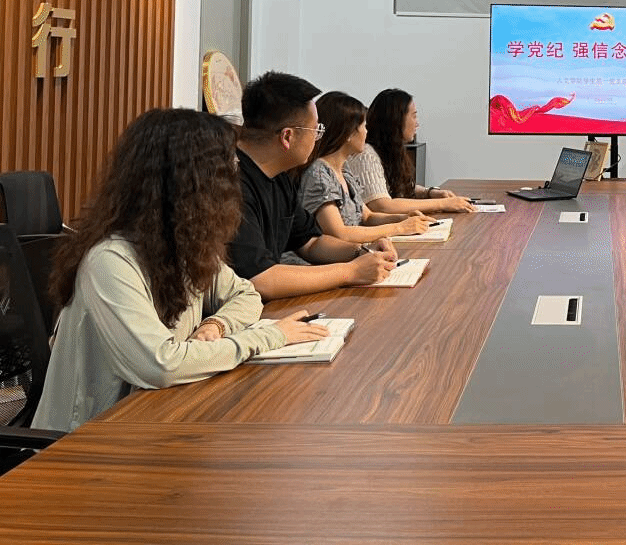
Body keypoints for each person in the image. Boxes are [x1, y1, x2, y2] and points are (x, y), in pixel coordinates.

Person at [32, 109, 328, 432]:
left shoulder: (184, 245)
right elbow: (161, 364)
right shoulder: (110, 260)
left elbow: (245, 293)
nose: (234, 177)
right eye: (226, 167)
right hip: (84, 442)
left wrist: (217, 324)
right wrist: (269, 336)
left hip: (151, 420)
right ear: (190, 181)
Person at [228, 72, 398, 300]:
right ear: (287, 137)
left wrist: (361, 251)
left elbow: (311, 242)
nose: (318, 138)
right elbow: (260, 279)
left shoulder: (278, 176)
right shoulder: (231, 183)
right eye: (316, 130)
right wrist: (351, 271)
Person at [300, 92, 435, 243]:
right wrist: (399, 228)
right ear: (348, 133)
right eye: (364, 126)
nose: (366, 132)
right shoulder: (319, 175)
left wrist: (403, 218)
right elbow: (340, 234)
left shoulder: (344, 170)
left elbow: (367, 216)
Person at [346, 88, 475, 216]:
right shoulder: (366, 155)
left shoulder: (390, 150)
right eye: (414, 116)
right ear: (396, 120)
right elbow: (382, 206)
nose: (417, 123)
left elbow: (398, 186)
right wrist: (443, 204)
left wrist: (429, 192)